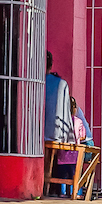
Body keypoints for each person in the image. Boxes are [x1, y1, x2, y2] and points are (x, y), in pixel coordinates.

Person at [44, 52, 76, 196]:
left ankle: (47, 187)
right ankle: (51, 189)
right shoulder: (61, 83)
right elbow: (65, 113)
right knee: (53, 159)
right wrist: (68, 137)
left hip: (35, 132)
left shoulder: (32, 81)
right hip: (55, 132)